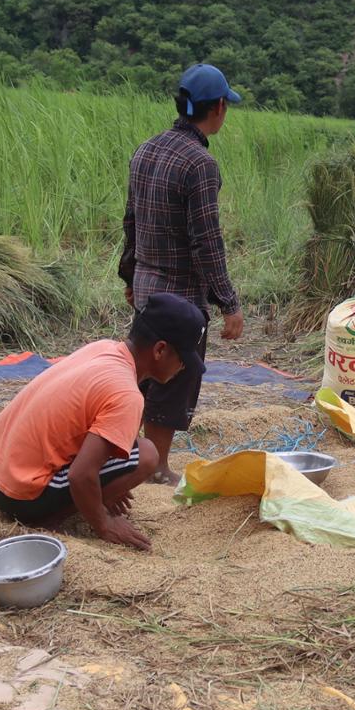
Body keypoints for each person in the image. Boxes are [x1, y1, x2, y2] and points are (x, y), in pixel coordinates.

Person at [0, 294, 206, 551]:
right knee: (147, 455)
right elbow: (81, 474)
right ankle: (49, 519)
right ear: (160, 350)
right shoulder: (125, 395)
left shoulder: (103, 348)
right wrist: (103, 522)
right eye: (183, 358)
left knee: (126, 447)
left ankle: (79, 501)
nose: (183, 367)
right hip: (16, 494)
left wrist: (109, 484)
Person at [119, 63, 247, 484]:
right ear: (219, 108)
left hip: (145, 283)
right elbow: (207, 242)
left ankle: (126, 451)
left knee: (141, 371)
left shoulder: (146, 150)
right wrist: (228, 302)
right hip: (180, 291)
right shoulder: (199, 164)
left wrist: (128, 276)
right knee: (175, 375)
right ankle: (156, 467)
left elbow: (131, 220)